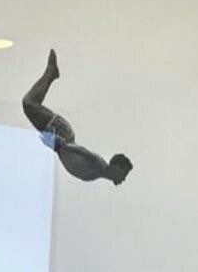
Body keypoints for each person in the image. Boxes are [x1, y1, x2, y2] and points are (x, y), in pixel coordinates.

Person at [22, 49, 133, 185]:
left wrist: (56, 147)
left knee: (30, 104)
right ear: (117, 167)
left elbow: (71, 158)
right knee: (29, 104)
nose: (123, 179)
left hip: (60, 140)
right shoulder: (98, 164)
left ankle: (51, 74)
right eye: (124, 174)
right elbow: (83, 152)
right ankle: (51, 73)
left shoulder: (96, 174)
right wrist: (62, 145)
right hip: (63, 134)